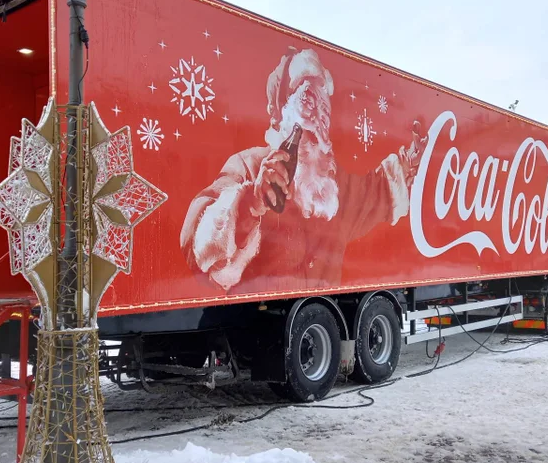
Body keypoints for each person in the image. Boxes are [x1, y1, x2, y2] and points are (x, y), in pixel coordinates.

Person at [181, 47, 428, 294]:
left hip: (322, 302)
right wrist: (250, 202)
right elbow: (198, 238)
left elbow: (376, 193)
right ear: (282, 112)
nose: (315, 114)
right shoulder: (251, 165)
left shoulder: (333, 185)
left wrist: (408, 163)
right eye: (306, 99)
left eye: (322, 106)